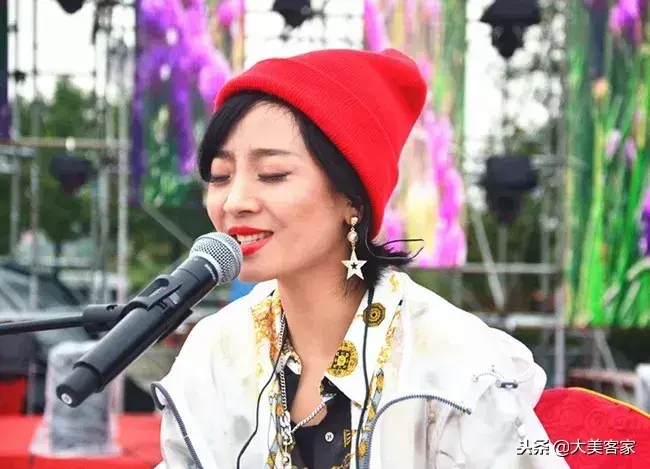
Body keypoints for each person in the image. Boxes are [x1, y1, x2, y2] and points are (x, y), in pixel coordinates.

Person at [152, 48, 569, 469]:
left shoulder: (456, 363)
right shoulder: (216, 351)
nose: (234, 201)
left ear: (352, 197)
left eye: (273, 174)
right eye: (220, 177)